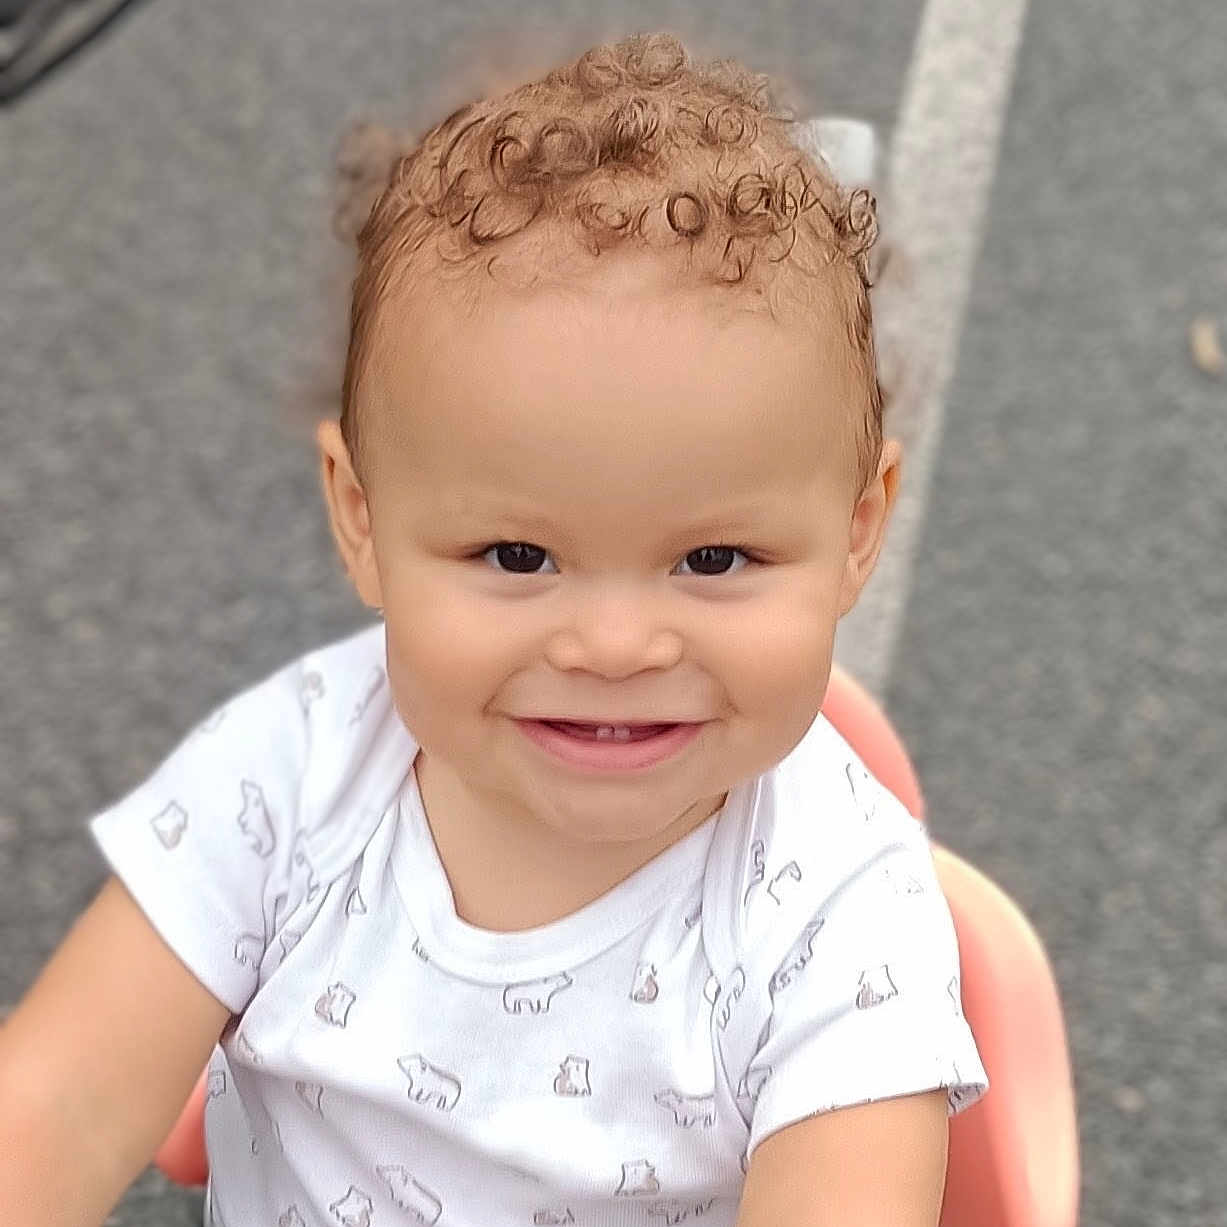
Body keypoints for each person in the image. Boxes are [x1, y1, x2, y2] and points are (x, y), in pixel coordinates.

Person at [0, 31, 987, 1227]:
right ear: (360, 517)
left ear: (859, 526)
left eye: (715, 558)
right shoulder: (293, 780)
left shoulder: (837, 921)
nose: (616, 646)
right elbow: (54, 1108)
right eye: (516, 558)